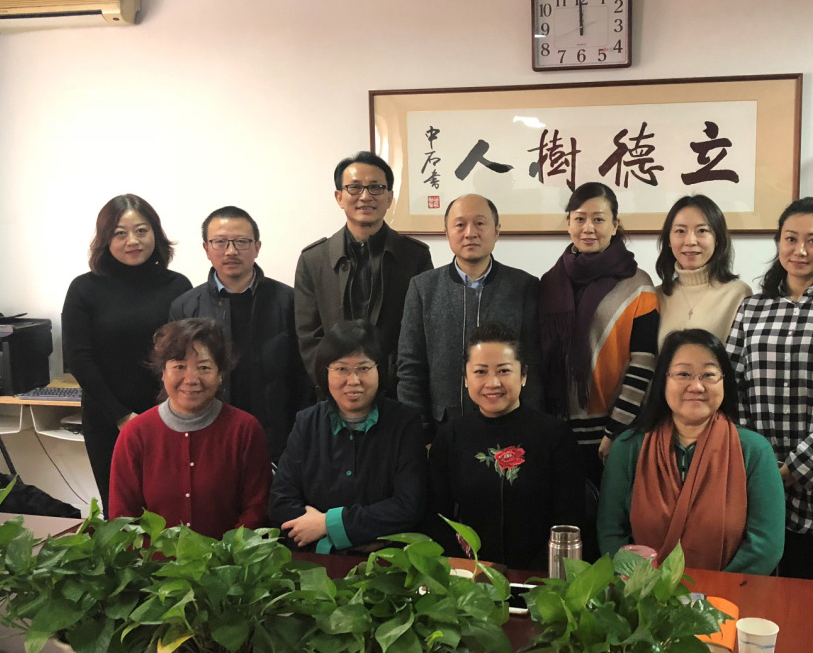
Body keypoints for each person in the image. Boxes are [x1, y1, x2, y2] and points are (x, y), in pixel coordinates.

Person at [725, 197, 813, 581]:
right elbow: (732, 383)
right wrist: (758, 461)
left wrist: (796, 468)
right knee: (753, 581)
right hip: (754, 469)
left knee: (811, 583)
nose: (800, 250)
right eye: (790, 238)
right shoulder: (752, 308)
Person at [598, 329, 785, 575]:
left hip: (728, 595)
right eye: (683, 374)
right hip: (641, 593)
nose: (696, 386)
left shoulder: (755, 451)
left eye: (709, 375)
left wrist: (712, 592)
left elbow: (765, 547)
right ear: (663, 380)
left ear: (724, 381)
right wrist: (643, 587)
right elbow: (611, 533)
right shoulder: (628, 448)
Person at [62, 194, 192, 513]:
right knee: (120, 513)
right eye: (120, 233)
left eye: (141, 231)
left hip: (170, 416)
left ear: (155, 234)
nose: (132, 241)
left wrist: (170, 412)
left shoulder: (178, 286)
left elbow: (187, 355)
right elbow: (78, 357)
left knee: (172, 509)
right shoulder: (84, 289)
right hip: (108, 419)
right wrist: (121, 416)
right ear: (105, 239)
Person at [428, 322, 584, 570]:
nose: (493, 383)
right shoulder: (451, 437)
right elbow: (436, 518)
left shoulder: (555, 435)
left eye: (504, 371)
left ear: (523, 375)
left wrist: (534, 576)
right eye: (480, 372)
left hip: (540, 577)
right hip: (469, 576)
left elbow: (570, 519)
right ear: (466, 379)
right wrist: (462, 570)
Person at [169, 205, 313, 463]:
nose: (231, 251)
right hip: (209, 433)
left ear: (257, 247)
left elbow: (304, 376)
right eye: (220, 242)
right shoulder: (186, 307)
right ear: (206, 248)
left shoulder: (289, 302)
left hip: (278, 436)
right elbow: (177, 376)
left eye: (242, 242)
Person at [271, 319, 427, 552]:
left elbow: (409, 506)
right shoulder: (306, 423)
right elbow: (280, 503)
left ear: (379, 370)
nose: (353, 381)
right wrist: (340, 540)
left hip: (387, 561)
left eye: (363, 368)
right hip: (318, 561)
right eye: (341, 369)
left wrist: (327, 525)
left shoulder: (405, 423)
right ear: (325, 372)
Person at [539, 181, 659, 482]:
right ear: (569, 223)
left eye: (599, 219)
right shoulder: (549, 282)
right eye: (580, 218)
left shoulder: (637, 284)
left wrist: (616, 430)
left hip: (612, 435)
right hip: (556, 433)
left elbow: (644, 363)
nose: (588, 228)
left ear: (615, 225)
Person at [108, 318, 270, 538]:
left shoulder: (245, 430)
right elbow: (122, 518)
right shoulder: (136, 434)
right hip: (152, 559)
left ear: (220, 375)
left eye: (204, 367)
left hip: (230, 558)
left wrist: (226, 554)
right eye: (179, 367)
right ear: (163, 372)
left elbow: (257, 509)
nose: (191, 379)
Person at [397, 194, 542, 437]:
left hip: (510, 430)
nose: (470, 233)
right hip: (442, 429)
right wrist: (421, 433)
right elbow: (410, 367)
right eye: (460, 224)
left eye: (480, 223)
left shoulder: (524, 286)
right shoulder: (423, 288)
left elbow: (533, 366)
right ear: (446, 232)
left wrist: (529, 431)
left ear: (496, 231)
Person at [294, 151, 432, 391]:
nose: (366, 196)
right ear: (339, 197)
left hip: (396, 393)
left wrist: (387, 381)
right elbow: (309, 337)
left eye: (376, 187)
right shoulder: (314, 260)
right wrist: (339, 382)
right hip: (335, 394)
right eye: (355, 187)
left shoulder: (415, 256)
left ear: (389, 197)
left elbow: (420, 331)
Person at [654, 194, 752, 344]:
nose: (690, 241)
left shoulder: (738, 294)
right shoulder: (656, 296)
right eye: (680, 231)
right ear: (668, 240)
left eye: (702, 231)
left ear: (717, 239)